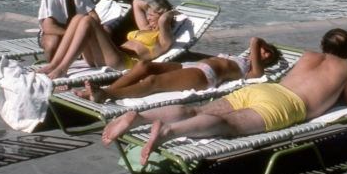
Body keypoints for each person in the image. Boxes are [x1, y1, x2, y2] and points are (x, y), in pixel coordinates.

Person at [102, 28, 347, 165]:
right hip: (285, 105)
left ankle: (140, 116)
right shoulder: (344, 67)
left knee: (199, 110)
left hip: (265, 89)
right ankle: (168, 131)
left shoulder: (308, 56)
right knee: (229, 125)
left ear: (323, 45)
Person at [81, 37, 281, 103]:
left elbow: (254, 40)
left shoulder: (255, 71)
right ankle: (101, 89)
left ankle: (106, 93)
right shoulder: (241, 58)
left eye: (268, 56)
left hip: (205, 76)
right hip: (193, 67)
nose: (263, 54)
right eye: (265, 52)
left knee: (152, 82)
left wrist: (263, 48)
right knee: (144, 66)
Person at [37, 0, 175, 80]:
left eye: (152, 15)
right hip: (108, 55)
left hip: (122, 62)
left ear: (161, 15)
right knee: (79, 18)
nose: (148, 17)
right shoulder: (145, 27)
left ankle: (62, 68)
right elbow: (136, 3)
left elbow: (163, 21)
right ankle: (55, 63)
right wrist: (150, 6)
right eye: (148, 14)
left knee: (88, 21)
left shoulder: (162, 39)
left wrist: (169, 13)